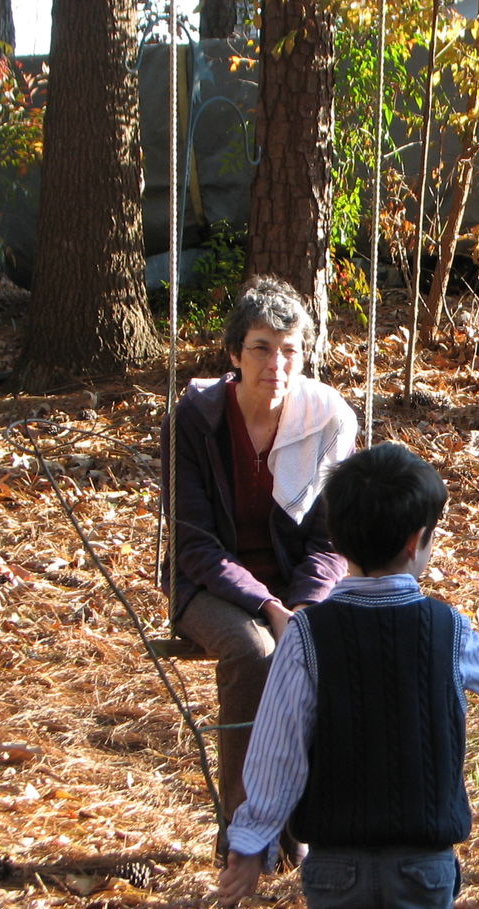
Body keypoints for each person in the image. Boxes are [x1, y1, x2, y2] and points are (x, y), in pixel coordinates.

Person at [216, 442, 479, 909]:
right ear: (417, 541)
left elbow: (276, 750)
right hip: (423, 860)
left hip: (336, 863)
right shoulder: (445, 627)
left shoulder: (307, 636)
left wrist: (251, 842)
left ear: (336, 541)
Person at [161, 275, 358, 862]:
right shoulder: (195, 422)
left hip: (297, 587)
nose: (277, 362)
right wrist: (267, 608)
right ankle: (243, 834)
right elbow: (194, 543)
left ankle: (302, 827)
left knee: (325, 651)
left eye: (290, 348)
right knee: (256, 653)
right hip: (208, 586)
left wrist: (302, 608)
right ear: (234, 354)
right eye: (261, 347)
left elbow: (331, 541)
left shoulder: (327, 422)